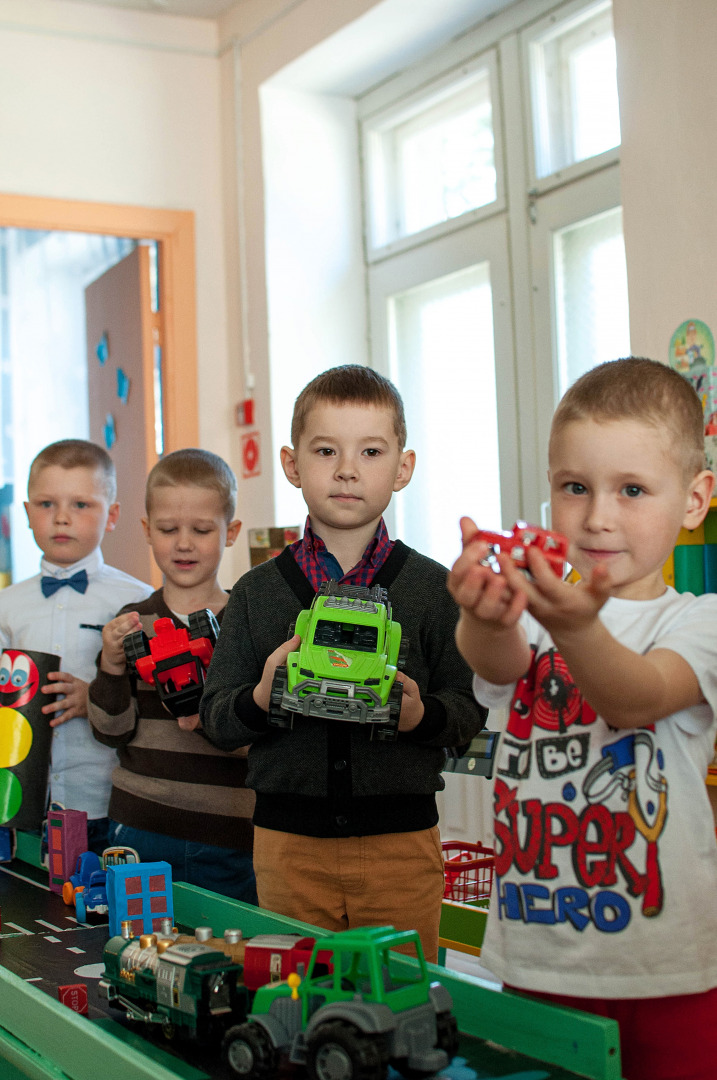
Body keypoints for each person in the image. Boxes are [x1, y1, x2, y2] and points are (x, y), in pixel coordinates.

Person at [448, 356, 717, 1080]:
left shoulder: (698, 621)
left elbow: (635, 696)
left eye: (631, 489)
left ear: (693, 500)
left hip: (669, 969)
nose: (597, 515)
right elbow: (494, 663)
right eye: (573, 487)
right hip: (536, 959)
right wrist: (481, 611)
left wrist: (573, 627)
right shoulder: (538, 618)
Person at [200, 365, 486, 961]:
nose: (347, 469)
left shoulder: (435, 590)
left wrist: (417, 716)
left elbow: (466, 710)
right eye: (326, 449)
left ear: (402, 468)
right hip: (287, 845)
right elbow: (216, 719)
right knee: (290, 999)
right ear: (292, 464)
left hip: (401, 843)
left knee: (403, 997)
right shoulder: (255, 593)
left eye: (371, 451)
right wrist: (262, 696)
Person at [87, 448, 257, 904]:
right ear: (147, 531)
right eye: (168, 529)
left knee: (229, 956)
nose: (184, 543)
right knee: (133, 953)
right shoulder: (132, 621)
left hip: (229, 835)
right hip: (139, 828)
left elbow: (265, 733)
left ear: (230, 532)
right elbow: (110, 730)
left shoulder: (248, 620)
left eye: (201, 530)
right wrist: (110, 664)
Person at [0, 439, 153, 854]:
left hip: (105, 801)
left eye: (81, 505)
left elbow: (154, 698)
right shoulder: (6, 606)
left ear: (112, 515)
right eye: (46, 504)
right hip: (22, 800)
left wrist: (96, 699)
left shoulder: (139, 601)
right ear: (28, 514)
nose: (62, 517)